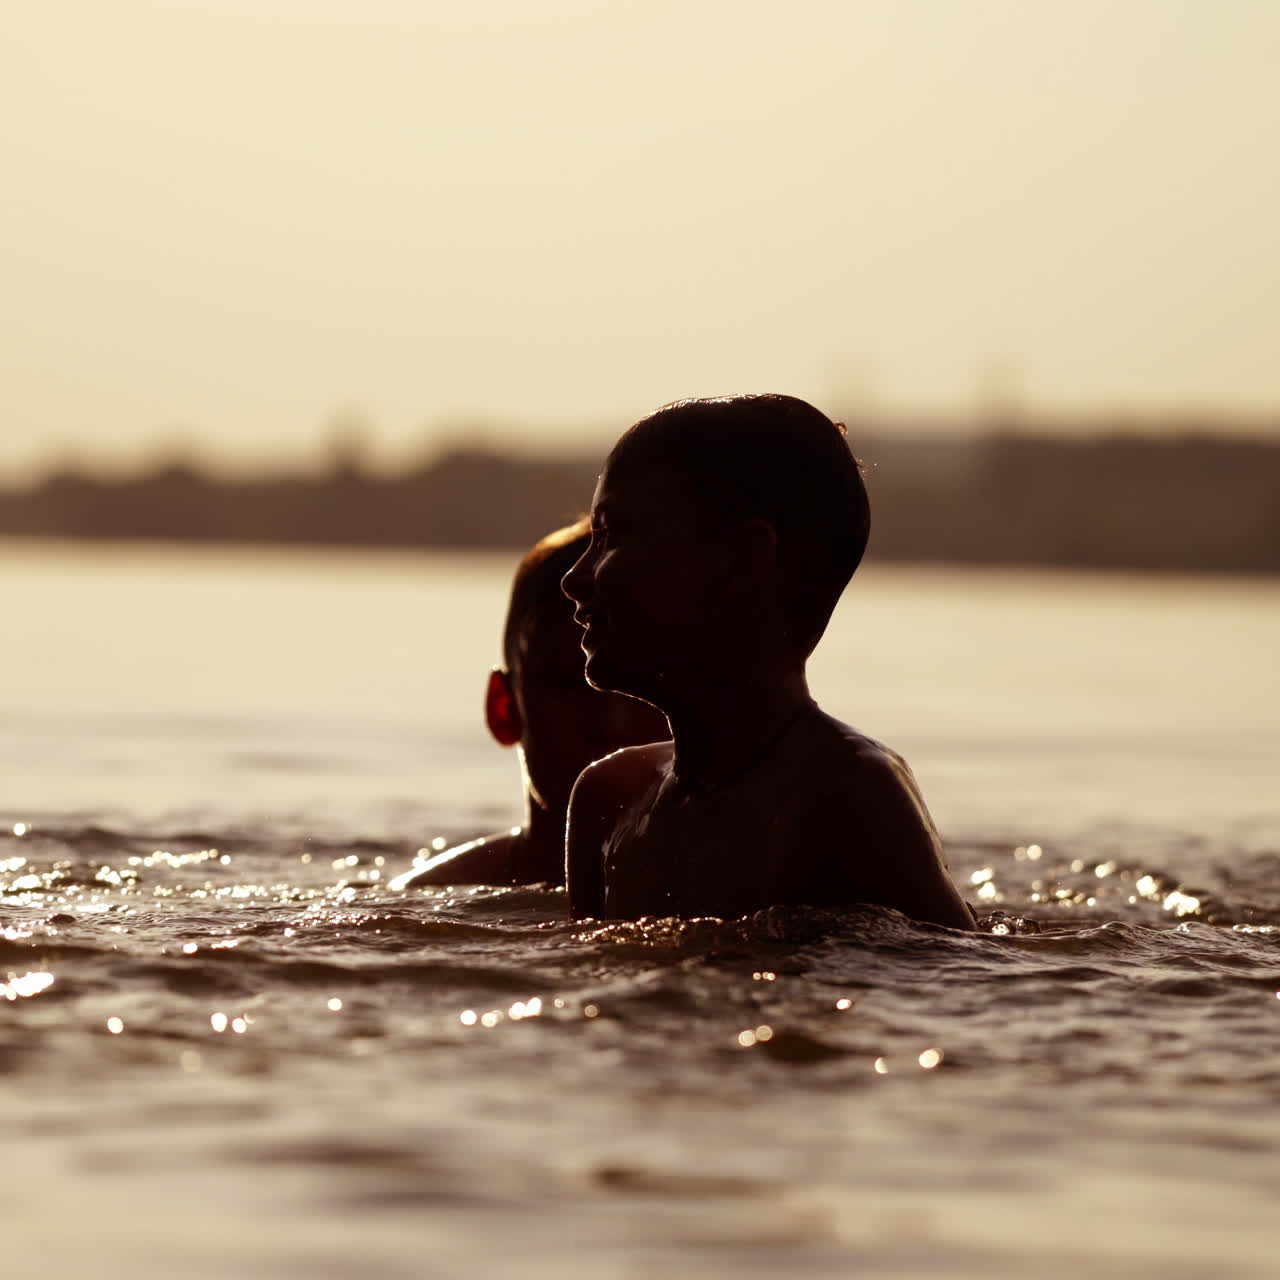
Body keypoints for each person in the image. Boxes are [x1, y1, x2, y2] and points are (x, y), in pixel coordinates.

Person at [561, 394, 974, 929]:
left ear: (743, 560)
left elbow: (953, 980)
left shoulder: (848, 798)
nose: (574, 580)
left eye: (613, 535)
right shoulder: (609, 800)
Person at [390, 518, 667, 891]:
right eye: (571, 686)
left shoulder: (749, 883)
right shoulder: (437, 896)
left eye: (642, 686)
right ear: (504, 708)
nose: (613, 723)